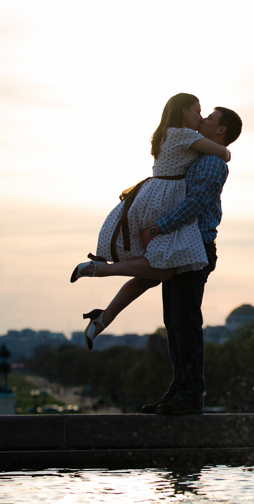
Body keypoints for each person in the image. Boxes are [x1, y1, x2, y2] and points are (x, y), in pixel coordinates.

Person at [69, 93, 231, 350]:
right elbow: (224, 153)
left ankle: (104, 317)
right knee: (162, 272)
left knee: (152, 274)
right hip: (164, 202)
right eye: (198, 112)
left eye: (207, 116)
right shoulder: (187, 137)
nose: (201, 118)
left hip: (153, 198)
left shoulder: (168, 134)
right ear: (183, 112)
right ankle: (98, 270)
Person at [140, 105, 242, 416]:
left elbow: (196, 202)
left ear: (220, 130)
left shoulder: (212, 161)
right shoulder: (199, 155)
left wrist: (158, 227)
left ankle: (191, 395)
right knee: (174, 323)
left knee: (185, 324)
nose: (203, 119)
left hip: (194, 248)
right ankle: (177, 390)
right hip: (180, 247)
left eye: (210, 117)